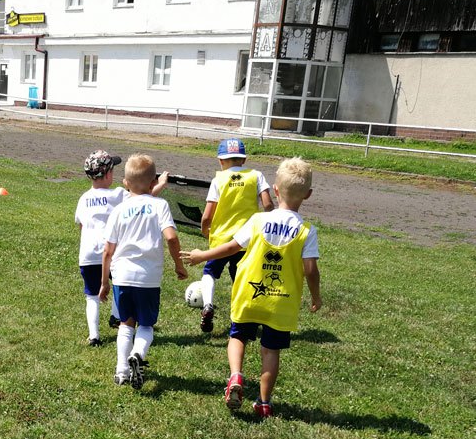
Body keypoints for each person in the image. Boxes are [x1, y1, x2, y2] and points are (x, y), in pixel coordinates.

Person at [181, 157, 321, 418]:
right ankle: (264, 402)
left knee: (237, 337)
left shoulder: (257, 221)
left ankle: (236, 376)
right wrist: (316, 297)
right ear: (308, 194)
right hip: (281, 301)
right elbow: (311, 270)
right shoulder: (306, 231)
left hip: (249, 294)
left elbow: (232, 246)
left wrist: (203, 255)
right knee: (271, 349)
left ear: (276, 190)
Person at [99, 154, 188, 389]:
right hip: (148, 278)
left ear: (125, 183)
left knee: (125, 324)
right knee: (146, 325)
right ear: (154, 182)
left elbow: (107, 251)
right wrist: (178, 265)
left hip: (122, 276)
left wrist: (104, 283)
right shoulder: (160, 205)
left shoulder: (119, 210)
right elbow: (171, 237)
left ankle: (121, 371)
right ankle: (138, 353)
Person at [75, 150, 168, 345]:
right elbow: (143, 199)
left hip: (88, 254)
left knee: (91, 296)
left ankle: (94, 336)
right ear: (108, 174)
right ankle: (117, 317)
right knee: (119, 283)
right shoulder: (118, 194)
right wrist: (160, 184)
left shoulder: (84, 198)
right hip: (110, 252)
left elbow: (81, 225)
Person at [196, 137, 274, 334]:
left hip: (221, 239)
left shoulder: (218, 180)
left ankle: (208, 305)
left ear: (220, 161)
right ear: (244, 159)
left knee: (209, 272)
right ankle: (241, 317)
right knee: (240, 278)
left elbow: (207, 216)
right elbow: (268, 204)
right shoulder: (256, 175)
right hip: (247, 240)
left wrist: (205, 230)